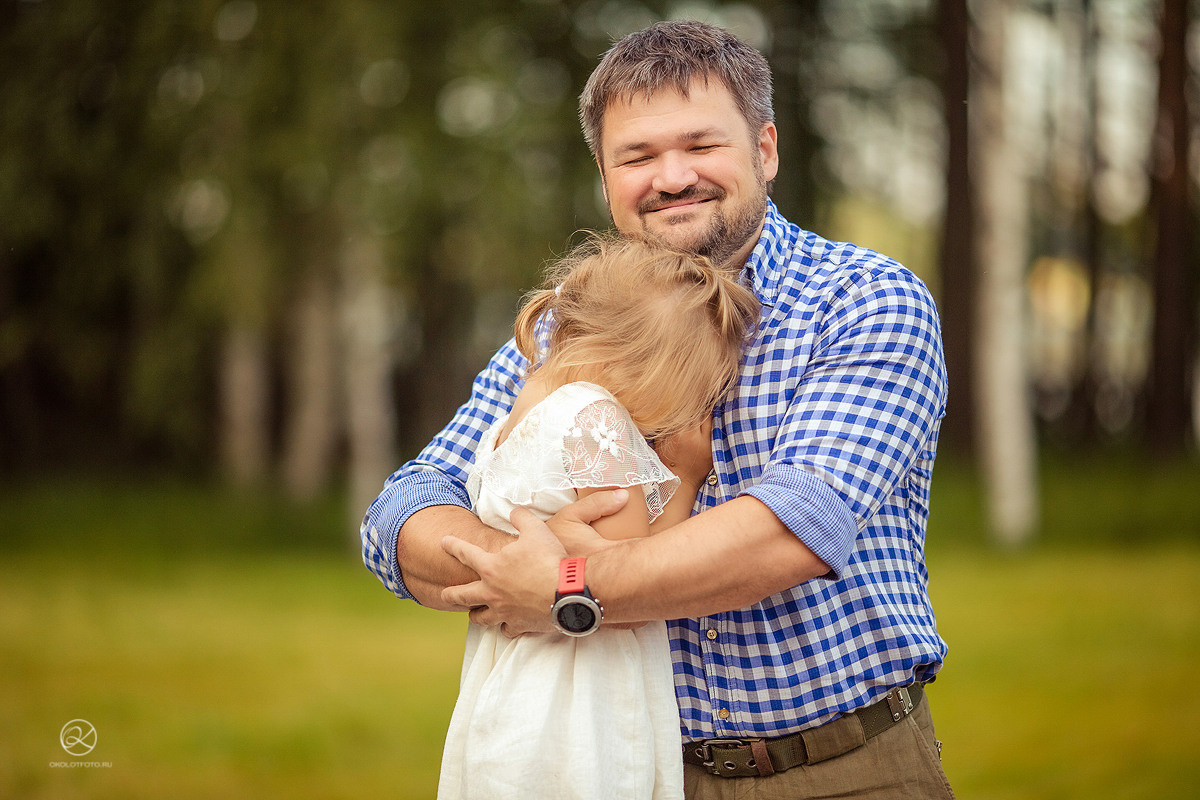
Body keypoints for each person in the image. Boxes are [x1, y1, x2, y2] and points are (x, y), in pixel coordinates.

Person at [362, 19, 955, 800]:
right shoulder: (571, 322)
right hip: (629, 771)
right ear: (606, 178)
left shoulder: (865, 301)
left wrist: (567, 583)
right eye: (637, 156)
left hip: (839, 772)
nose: (671, 177)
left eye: (700, 145)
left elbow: (790, 532)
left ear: (765, 150)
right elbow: (404, 510)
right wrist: (514, 568)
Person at [438, 233, 759, 800]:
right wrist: (684, 474)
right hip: (578, 695)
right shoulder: (595, 419)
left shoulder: (518, 412)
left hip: (513, 679)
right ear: (625, 364)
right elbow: (634, 571)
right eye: (680, 391)